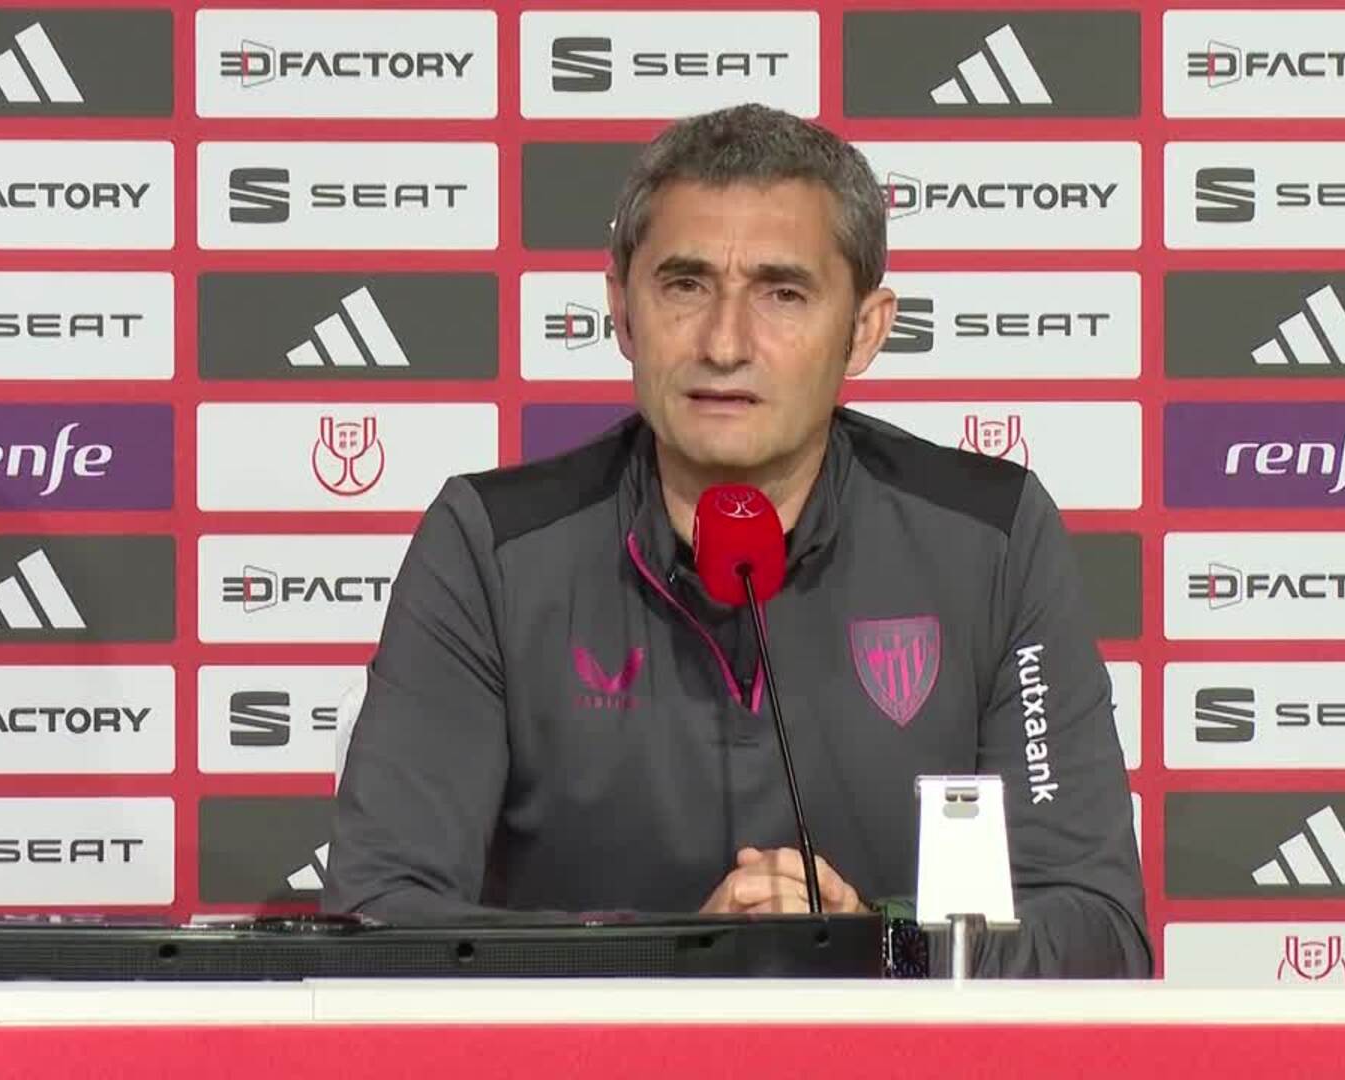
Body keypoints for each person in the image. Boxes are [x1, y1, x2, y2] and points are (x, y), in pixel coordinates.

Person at [322, 103, 1150, 977]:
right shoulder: (490, 549)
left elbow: (1097, 935)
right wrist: (683, 959)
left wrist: (882, 948)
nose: (724, 343)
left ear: (865, 330)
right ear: (622, 312)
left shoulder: (990, 538)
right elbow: (380, 917)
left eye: (782, 294)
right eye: (685, 286)